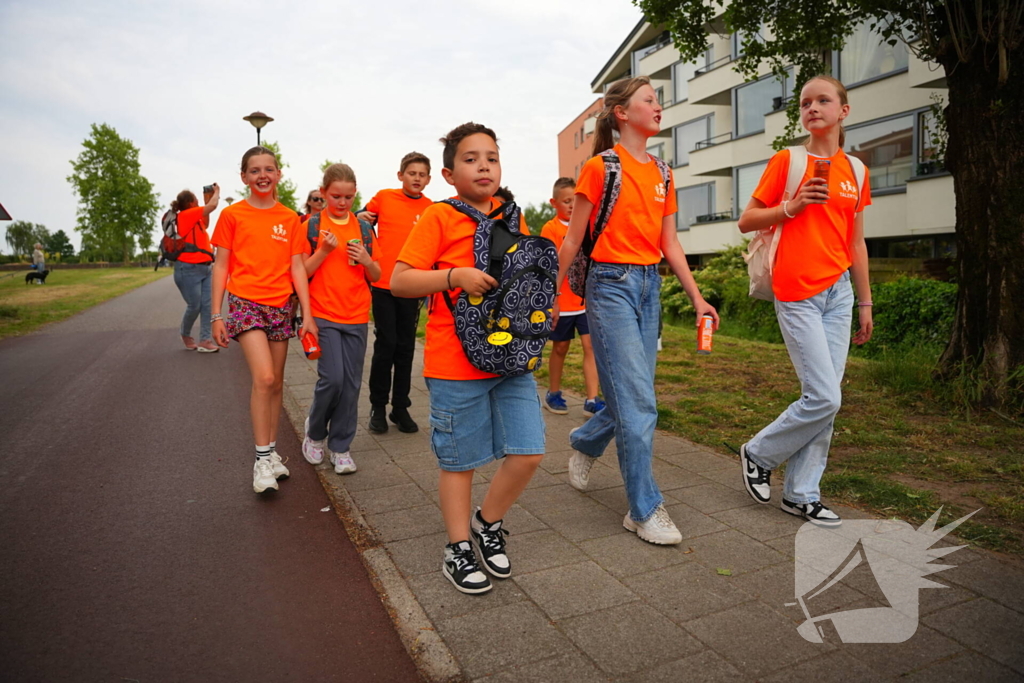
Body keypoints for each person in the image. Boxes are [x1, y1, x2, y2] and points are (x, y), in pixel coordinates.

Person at [555, 76, 718, 546]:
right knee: (639, 402)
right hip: (609, 287)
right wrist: (549, 296)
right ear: (623, 113)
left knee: (635, 395)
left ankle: (586, 441)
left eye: (658, 100)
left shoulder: (664, 173)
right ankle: (643, 509)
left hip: (649, 287)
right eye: (649, 100)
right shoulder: (601, 168)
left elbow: (670, 242)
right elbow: (572, 239)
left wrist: (697, 297)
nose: (658, 106)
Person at [390, 123, 545, 595]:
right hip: (454, 360)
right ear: (448, 173)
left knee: (529, 452)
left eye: (492, 157)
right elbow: (399, 281)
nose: (484, 165)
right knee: (459, 462)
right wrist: (454, 274)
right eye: (472, 158)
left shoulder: (513, 218)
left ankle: (487, 522)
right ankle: (457, 546)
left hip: (510, 354)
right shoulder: (437, 218)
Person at [735, 75, 873, 528]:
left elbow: (856, 243)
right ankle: (758, 452)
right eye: (805, 102)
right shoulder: (788, 160)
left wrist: (866, 303)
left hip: (839, 294)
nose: (812, 107)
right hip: (797, 290)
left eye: (823, 100)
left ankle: (801, 494)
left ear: (843, 111)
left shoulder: (856, 171)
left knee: (826, 399)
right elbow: (747, 219)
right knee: (825, 396)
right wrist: (790, 207)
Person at [211, 146, 317, 494]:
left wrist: (308, 315)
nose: (262, 176)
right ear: (244, 177)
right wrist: (216, 314)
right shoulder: (231, 215)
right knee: (264, 377)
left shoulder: (289, 219)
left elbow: (298, 267)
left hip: (281, 305)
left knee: (276, 384)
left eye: (268, 169)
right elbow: (222, 265)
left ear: (278, 175)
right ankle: (260, 461)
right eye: (254, 170)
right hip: (245, 303)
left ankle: (271, 454)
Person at [300, 164, 381, 474]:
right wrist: (322, 250)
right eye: (336, 196)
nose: (343, 202)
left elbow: (376, 274)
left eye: (349, 196)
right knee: (332, 378)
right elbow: (301, 273)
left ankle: (341, 447)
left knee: (350, 384)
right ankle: (316, 432)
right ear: (322, 194)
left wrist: (366, 260)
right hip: (323, 313)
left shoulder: (363, 229)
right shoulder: (310, 225)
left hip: (357, 314)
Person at [356, 152, 433, 435]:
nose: (416, 178)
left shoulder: (430, 208)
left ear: (428, 179)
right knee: (385, 345)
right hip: (384, 285)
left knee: (406, 348)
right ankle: (377, 406)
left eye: (422, 174)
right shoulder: (385, 197)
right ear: (400, 175)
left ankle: (400, 407)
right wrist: (359, 216)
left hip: (413, 286)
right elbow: (360, 219)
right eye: (411, 173)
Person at [540, 177, 605, 417]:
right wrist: (552, 299)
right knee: (560, 348)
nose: (571, 205)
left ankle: (591, 399)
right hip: (562, 301)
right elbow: (548, 266)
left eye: (574, 201)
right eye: (566, 201)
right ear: (554, 203)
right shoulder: (551, 229)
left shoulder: (587, 225)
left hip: (585, 302)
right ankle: (553, 393)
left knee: (591, 346)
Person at [170, 186, 220, 352]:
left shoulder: (195, 219)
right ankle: (185, 333)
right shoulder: (185, 215)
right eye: (197, 202)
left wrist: (207, 198)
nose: (199, 204)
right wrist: (217, 193)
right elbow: (212, 207)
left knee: (206, 305)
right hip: (188, 268)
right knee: (195, 305)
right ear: (191, 203)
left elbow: (206, 220)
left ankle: (205, 340)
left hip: (205, 268)